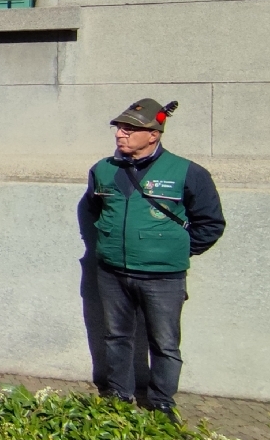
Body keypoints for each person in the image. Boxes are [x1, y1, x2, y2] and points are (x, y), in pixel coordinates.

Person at [84, 98, 225, 421]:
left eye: (131, 129)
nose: (121, 134)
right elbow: (95, 210)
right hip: (112, 271)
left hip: (163, 276)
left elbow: (210, 223)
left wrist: (173, 250)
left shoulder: (187, 172)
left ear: (154, 134)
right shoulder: (103, 170)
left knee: (164, 342)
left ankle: (162, 401)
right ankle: (119, 394)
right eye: (119, 127)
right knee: (117, 336)